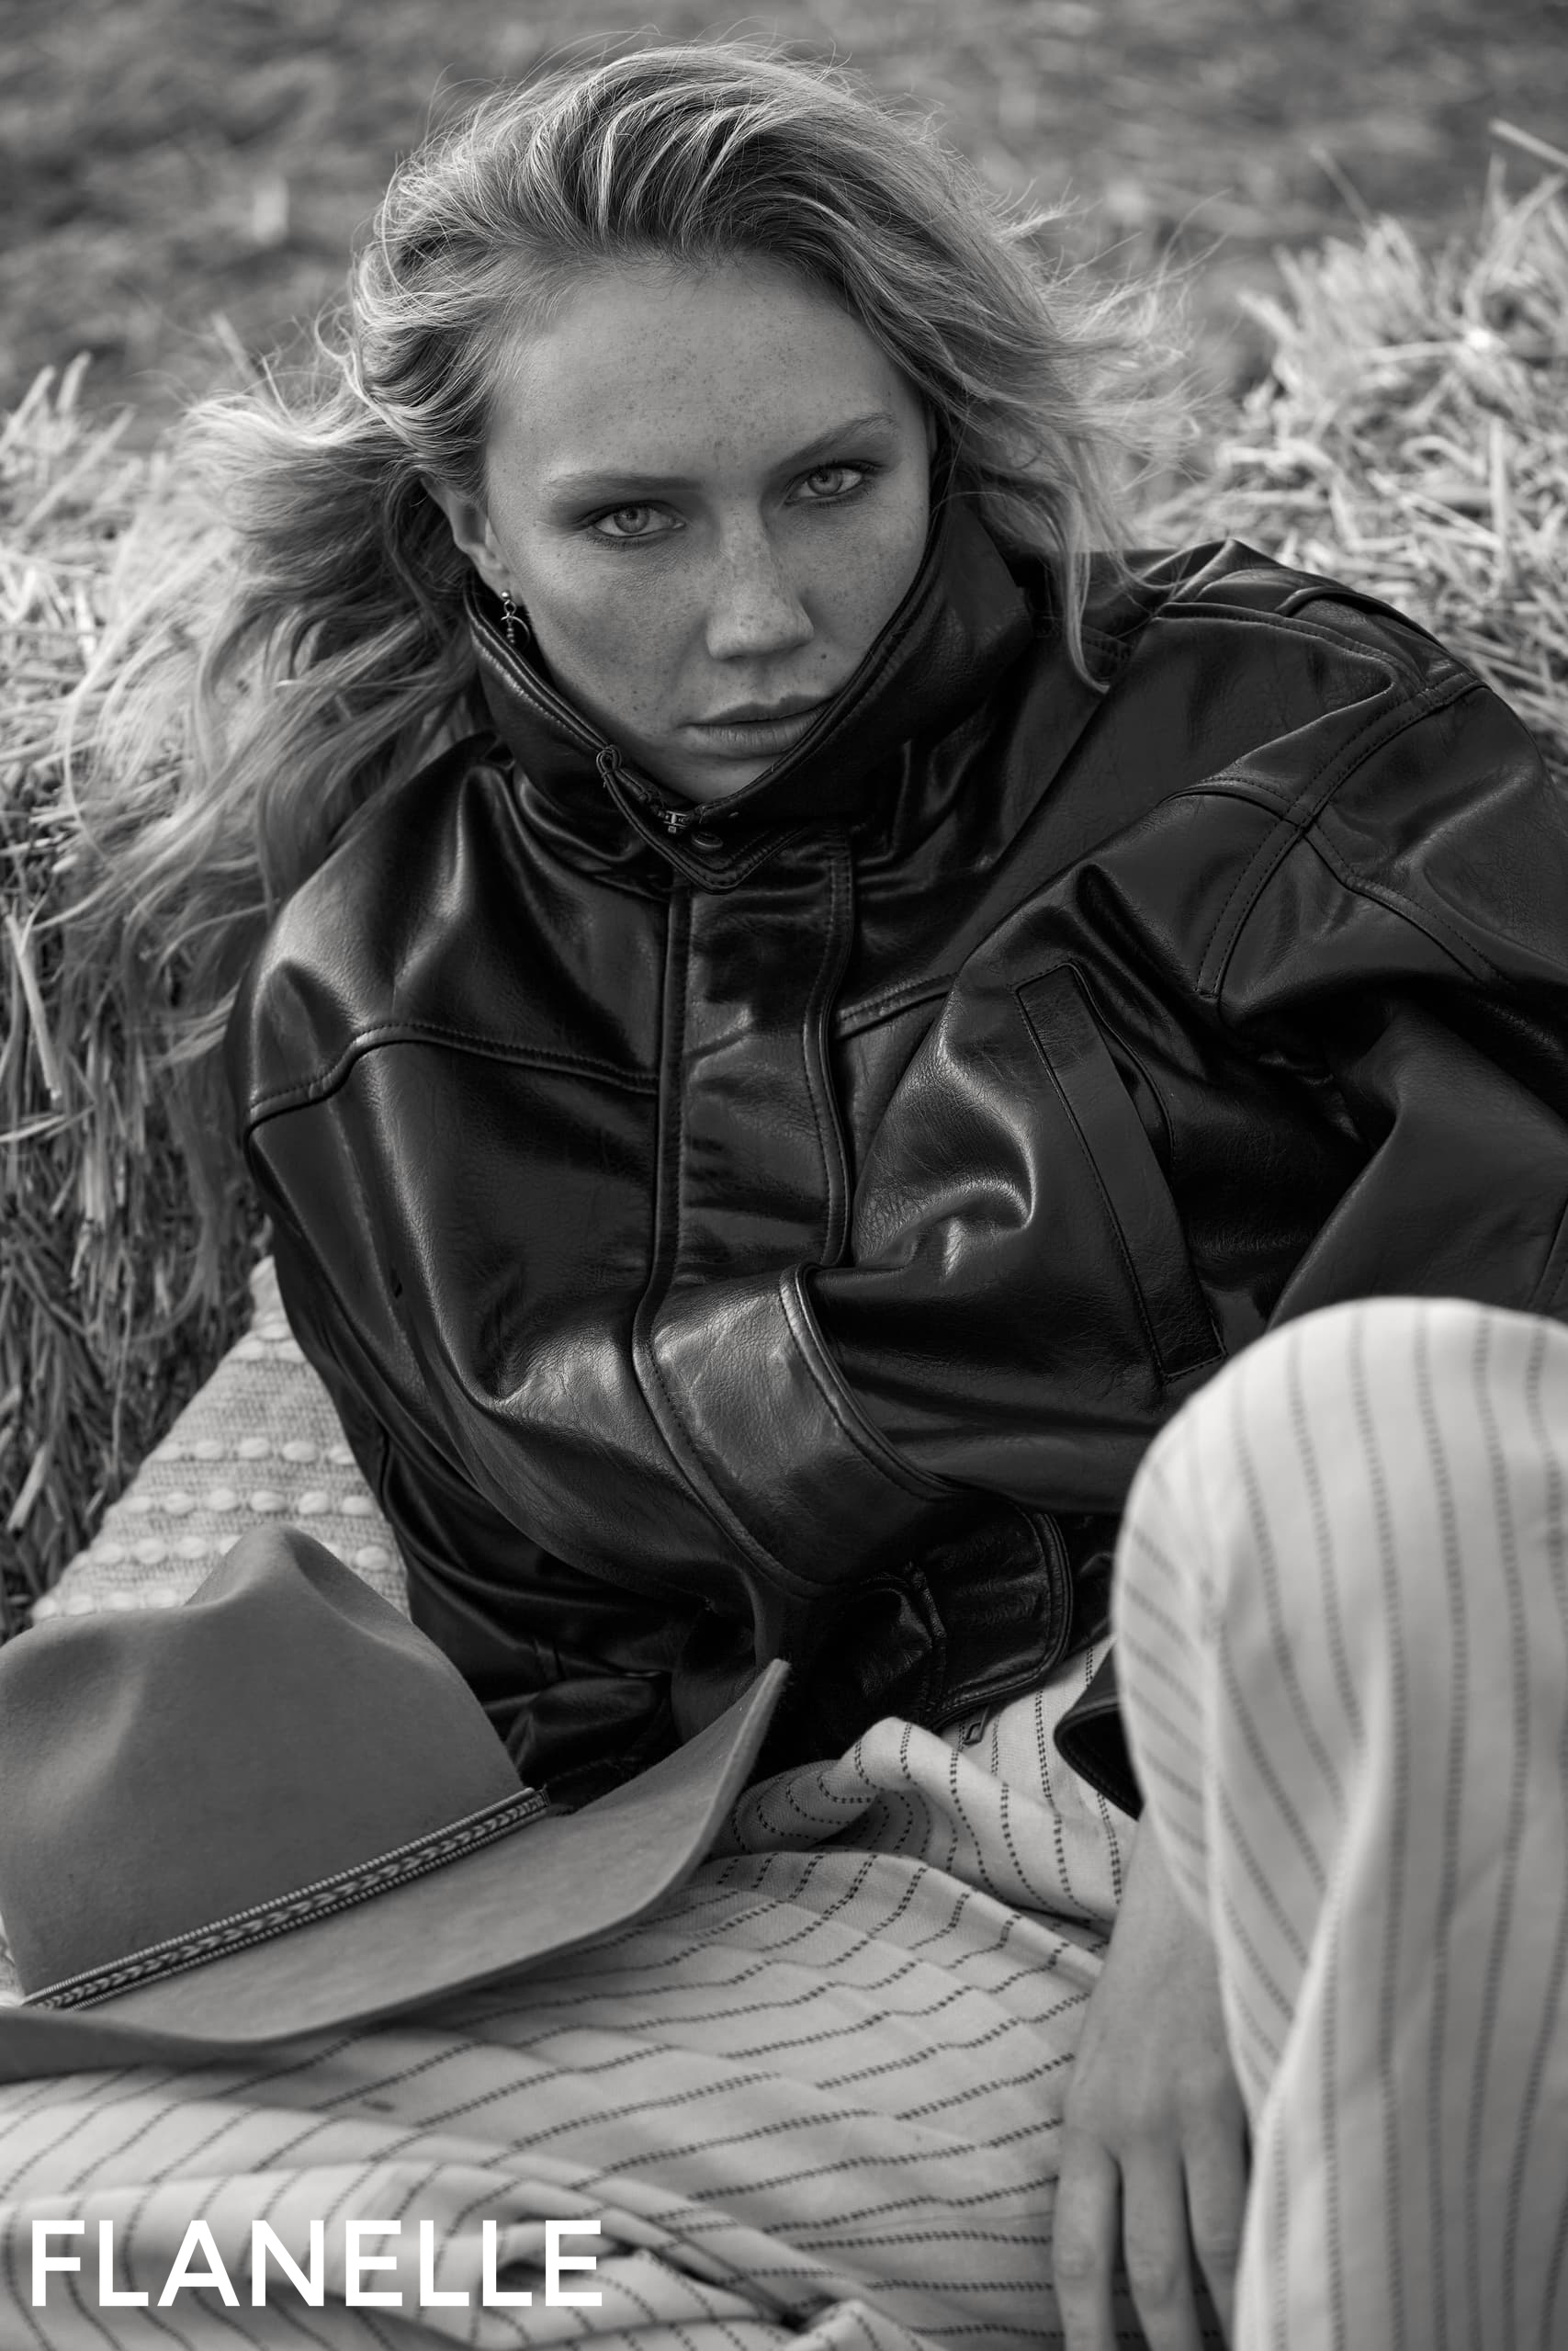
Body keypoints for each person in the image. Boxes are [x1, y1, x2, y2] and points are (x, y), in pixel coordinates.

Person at [63, 40, 1568, 2349]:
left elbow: (1513, 1317)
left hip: (1371, 1784)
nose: (757, 613)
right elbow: (559, 1677)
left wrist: (1197, 1850)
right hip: (870, 1903)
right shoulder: (367, 990)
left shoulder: (1283, 724)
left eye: (830, 482)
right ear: (471, 524)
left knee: (1341, 1429)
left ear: (939, 441)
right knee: (77, 2225)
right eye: (634, 519)